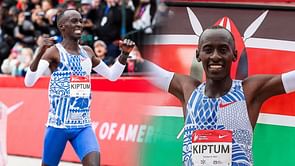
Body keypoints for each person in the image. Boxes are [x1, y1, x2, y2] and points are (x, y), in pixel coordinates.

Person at [146, 25, 295, 166]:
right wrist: (126, 55)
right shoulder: (188, 89)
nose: (215, 56)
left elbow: (290, 80)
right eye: (208, 50)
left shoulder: (249, 91)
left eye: (223, 50)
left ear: (234, 55)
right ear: (198, 55)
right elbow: (146, 68)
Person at [24, 9, 135, 166]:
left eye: (80, 21)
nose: (79, 24)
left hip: (83, 126)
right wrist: (39, 53)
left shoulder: (87, 52)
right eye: (74, 21)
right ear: (62, 26)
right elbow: (29, 81)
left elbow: (112, 76)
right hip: (58, 126)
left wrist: (123, 55)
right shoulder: (54, 52)